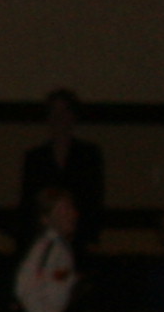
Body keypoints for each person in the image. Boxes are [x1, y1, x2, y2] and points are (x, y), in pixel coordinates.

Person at [16, 89, 106, 255]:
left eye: (64, 111)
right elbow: (28, 203)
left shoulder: (89, 155)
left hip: (80, 238)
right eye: (54, 111)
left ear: (73, 116)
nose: (59, 117)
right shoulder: (35, 157)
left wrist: (92, 237)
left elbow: (94, 200)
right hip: (43, 238)